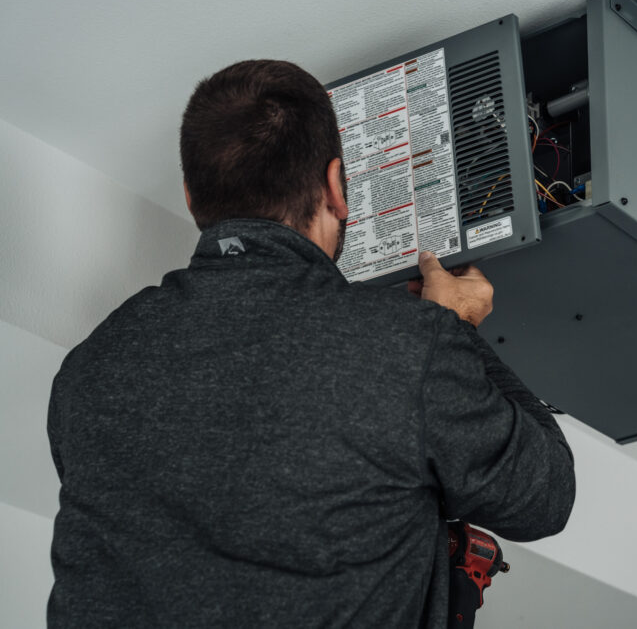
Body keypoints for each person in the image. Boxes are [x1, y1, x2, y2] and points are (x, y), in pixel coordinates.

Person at [46, 59, 575, 627]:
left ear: (190, 196)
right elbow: (546, 495)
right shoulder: (403, 345)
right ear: (334, 186)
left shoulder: (89, 366)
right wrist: (454, 328)